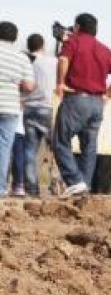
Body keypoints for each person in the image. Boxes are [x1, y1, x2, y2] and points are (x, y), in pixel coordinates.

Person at [53, 13, 111, 196]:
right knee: (89, 146)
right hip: (97, 103)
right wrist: (108, 94)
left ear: (77, 27)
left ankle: (75, 180)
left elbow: (63, 59)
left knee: (60, 141)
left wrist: (60, 83)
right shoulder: (104, 49)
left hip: (77, 99)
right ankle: (83, 185)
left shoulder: (73, 42)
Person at [0, 21, 35, 198]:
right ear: (15, 38)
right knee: (4, 148)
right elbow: (29, 86)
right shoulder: (21, 57)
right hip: (10, 107)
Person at [21, 33, 57, 196]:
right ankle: (57, 184)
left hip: (29, 108)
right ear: (43, 45)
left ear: (29, 46)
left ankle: (32, 188)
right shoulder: (53, 62)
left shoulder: (25, 62)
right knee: (58, 149)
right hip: (48, 107)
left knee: (30, 151)